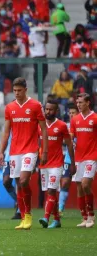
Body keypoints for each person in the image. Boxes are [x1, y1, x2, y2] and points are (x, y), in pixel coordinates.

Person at [0, 77, 48, 230]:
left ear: (26, 90)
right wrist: (1, 152)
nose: (17, 93)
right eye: (14, 91)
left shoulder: (35, 105)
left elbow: (44, 129)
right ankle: (24, 216)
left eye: (19, 90)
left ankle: (28, 214)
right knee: (19, 184)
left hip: (30, 149)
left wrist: (44, 151)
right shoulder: (10, 107)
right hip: (14, 151)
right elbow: (6, 132)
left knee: (24, 180)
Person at [38, 100, 75, 229]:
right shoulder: (39, 126)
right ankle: (57, 220)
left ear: (57, 111)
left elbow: (69, 144)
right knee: (51, 193)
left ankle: (46, 217)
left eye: (51, 109)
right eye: (46, 109)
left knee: (51, 190)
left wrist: (72, 163)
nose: (48, 112)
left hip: (57, 164)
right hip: (44, 164)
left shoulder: (62, 125)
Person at [70, 93, 97, 228]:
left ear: (88, 103)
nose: (78, 105)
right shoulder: (75, 119)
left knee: (86, 184)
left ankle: (91, 216)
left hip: (92, 157)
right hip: (78, 157)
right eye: (77, 102)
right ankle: (84, 218)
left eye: (81, 102)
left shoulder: (95, 118)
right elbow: (72, 136)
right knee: (79, 187)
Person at [58, 104, 79, 215]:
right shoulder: (65, 126)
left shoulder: (82, 125)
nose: (71, 115)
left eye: (73, 113)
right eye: (69, 113)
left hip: (82, 158)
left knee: (83, 185)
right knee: (65, 182)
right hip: (68, 159)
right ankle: (60, 208)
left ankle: (85, 211)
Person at [0, 133, 22, 220]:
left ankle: (20, 210)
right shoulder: (10, 125)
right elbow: (4, 139)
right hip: (8, 158)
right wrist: (1, 153)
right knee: (6, 181)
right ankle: (19, 202)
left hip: (20, 155)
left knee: (20, 182)